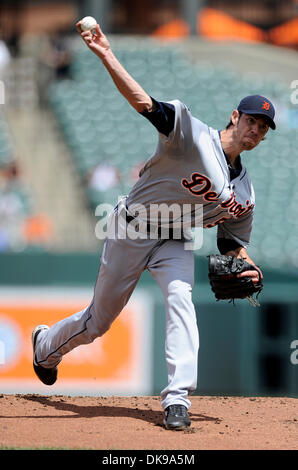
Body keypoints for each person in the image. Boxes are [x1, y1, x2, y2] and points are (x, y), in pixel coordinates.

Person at [32, 20, 276, 431]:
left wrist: (247, 263)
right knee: (98, 322)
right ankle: (45, 347)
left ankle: (177, 399)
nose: (256, 129)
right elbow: (144, 102)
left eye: (264, 127)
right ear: (235, 116)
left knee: (182, 301)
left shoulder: (246, 193)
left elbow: (230, 241)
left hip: (176, 239)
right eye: (252, 119)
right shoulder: (191, 136)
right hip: (132, 227)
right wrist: (106, 54)